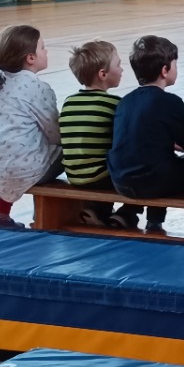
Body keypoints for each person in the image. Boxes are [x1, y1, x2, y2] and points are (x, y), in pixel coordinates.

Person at [0, 24, 60, 229]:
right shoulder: (37, 88)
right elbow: (55, 134)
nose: (46, 51)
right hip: (16, 169)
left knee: (5, 152)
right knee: (61, 152)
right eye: (42, 48)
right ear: (30, 58)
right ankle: (1, 215)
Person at [108, 34, 184, 233]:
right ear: (165, 70)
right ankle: (155, 221)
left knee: (155, 159)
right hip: (154, 183)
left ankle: (129, 211)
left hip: (120, 180)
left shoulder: (125, 101)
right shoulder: (171, 102)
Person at [58, 39, 125, 228]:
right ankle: (120, 214)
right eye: (118, 65)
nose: (122, 69)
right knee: (132, 171)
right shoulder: (114, 104)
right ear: (103, 74)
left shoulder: (69, 102)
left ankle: (95, 210)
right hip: (99, 176)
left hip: (73, 175)